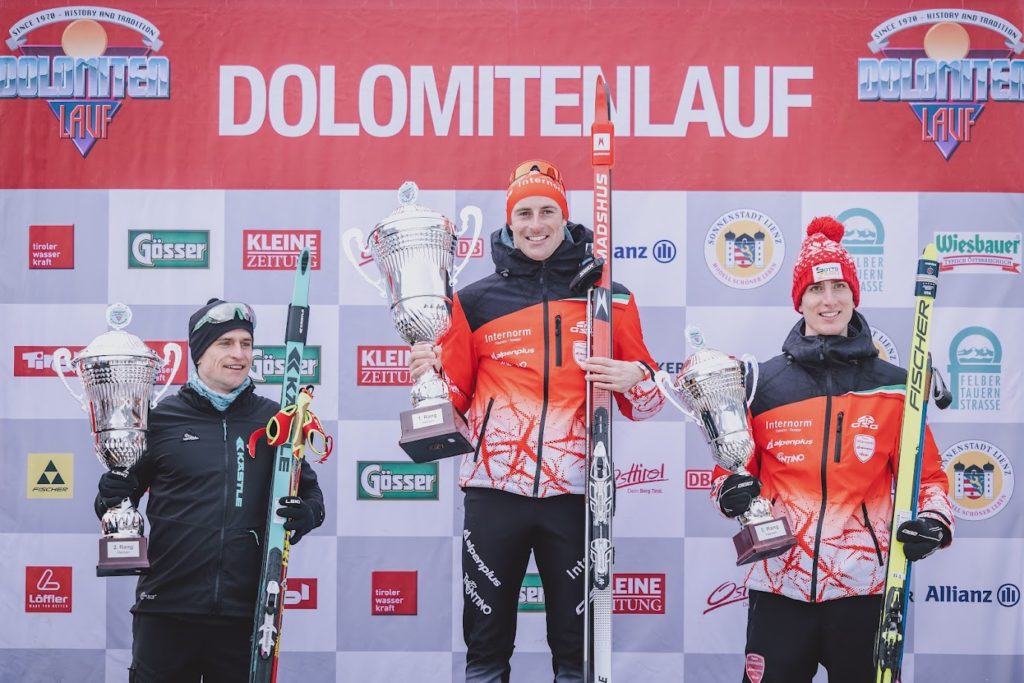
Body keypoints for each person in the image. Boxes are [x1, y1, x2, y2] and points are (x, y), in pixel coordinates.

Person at [409, 159, 665, 682]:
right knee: (485, 647)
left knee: (577, 652)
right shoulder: (475, 301)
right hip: (493, 496)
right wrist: (427, 379)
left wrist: (635, 377)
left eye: (548, 210)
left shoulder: (608, 298)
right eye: (523, 212)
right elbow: (451, 408)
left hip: (577, 498)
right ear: (509, 222)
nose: (536, 224)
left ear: (565, 218)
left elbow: (648, 402)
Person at [709, 217, 954, 683]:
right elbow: (732, 471)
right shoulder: (765, 382)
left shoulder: (894, 386)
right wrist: (729, 494)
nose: (829, 300)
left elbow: (929, 479)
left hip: (864, 588)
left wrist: (934, 524)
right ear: (799, 300)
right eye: (816, 289)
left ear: (854, 295)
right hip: (781, 584)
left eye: (839, 287)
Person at [95, 299, 326, 683]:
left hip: (243, 614)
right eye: (225, 343)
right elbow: (116, 505)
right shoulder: (161, 418)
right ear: (200, 352)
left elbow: (311, 495)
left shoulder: (275, 420)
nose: (239, 354)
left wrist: (307, 514)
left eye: (246, 343)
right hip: (166, 609)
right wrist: (111, 493)